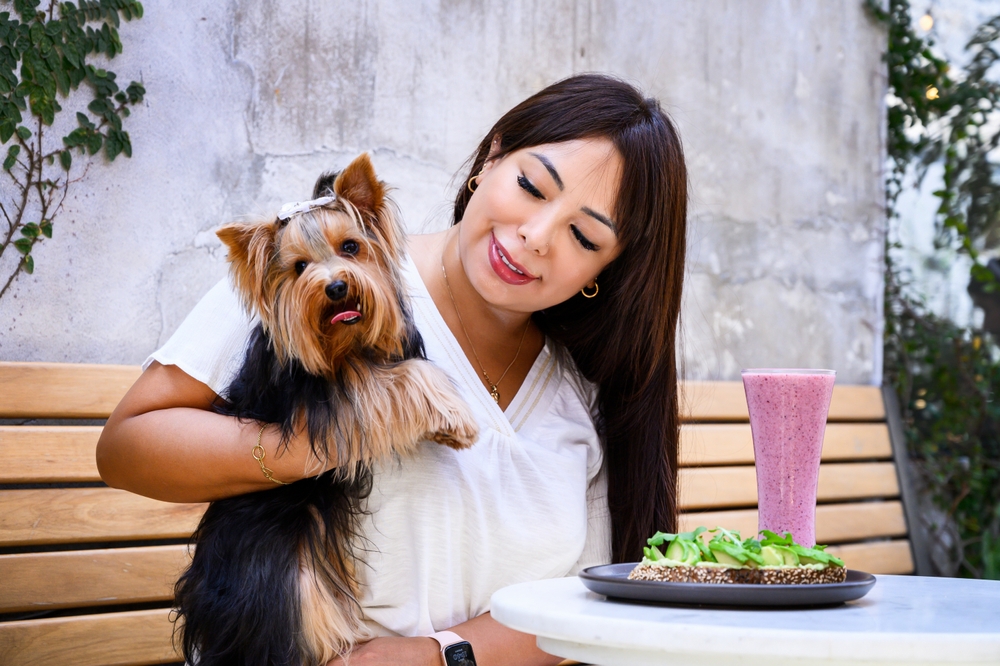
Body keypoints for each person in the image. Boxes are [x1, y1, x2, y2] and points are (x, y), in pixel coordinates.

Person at [96, 73, 687, 666]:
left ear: (607, 270)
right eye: (532, 186)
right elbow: (127, 448)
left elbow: (582, 609)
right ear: (493, 154)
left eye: (583, 235)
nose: (536, 236)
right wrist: (318, 442)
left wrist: (431, 656)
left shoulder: (580, 395)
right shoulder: (316, 281)